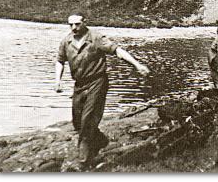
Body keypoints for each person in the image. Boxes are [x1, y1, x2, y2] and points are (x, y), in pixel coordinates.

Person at [55, 12, 150, 165]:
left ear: (84, 22)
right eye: (70, 25)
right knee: (77, 122)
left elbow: (117, 51)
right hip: (79, 84)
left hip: (97, 82)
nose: (74, 28)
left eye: (77, 24)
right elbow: (60, 61)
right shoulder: (66, 41)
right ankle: (100, 140)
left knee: (88, 119)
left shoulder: (96, 38)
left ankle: (84, 161)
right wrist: (57, 81)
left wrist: (137, 64)